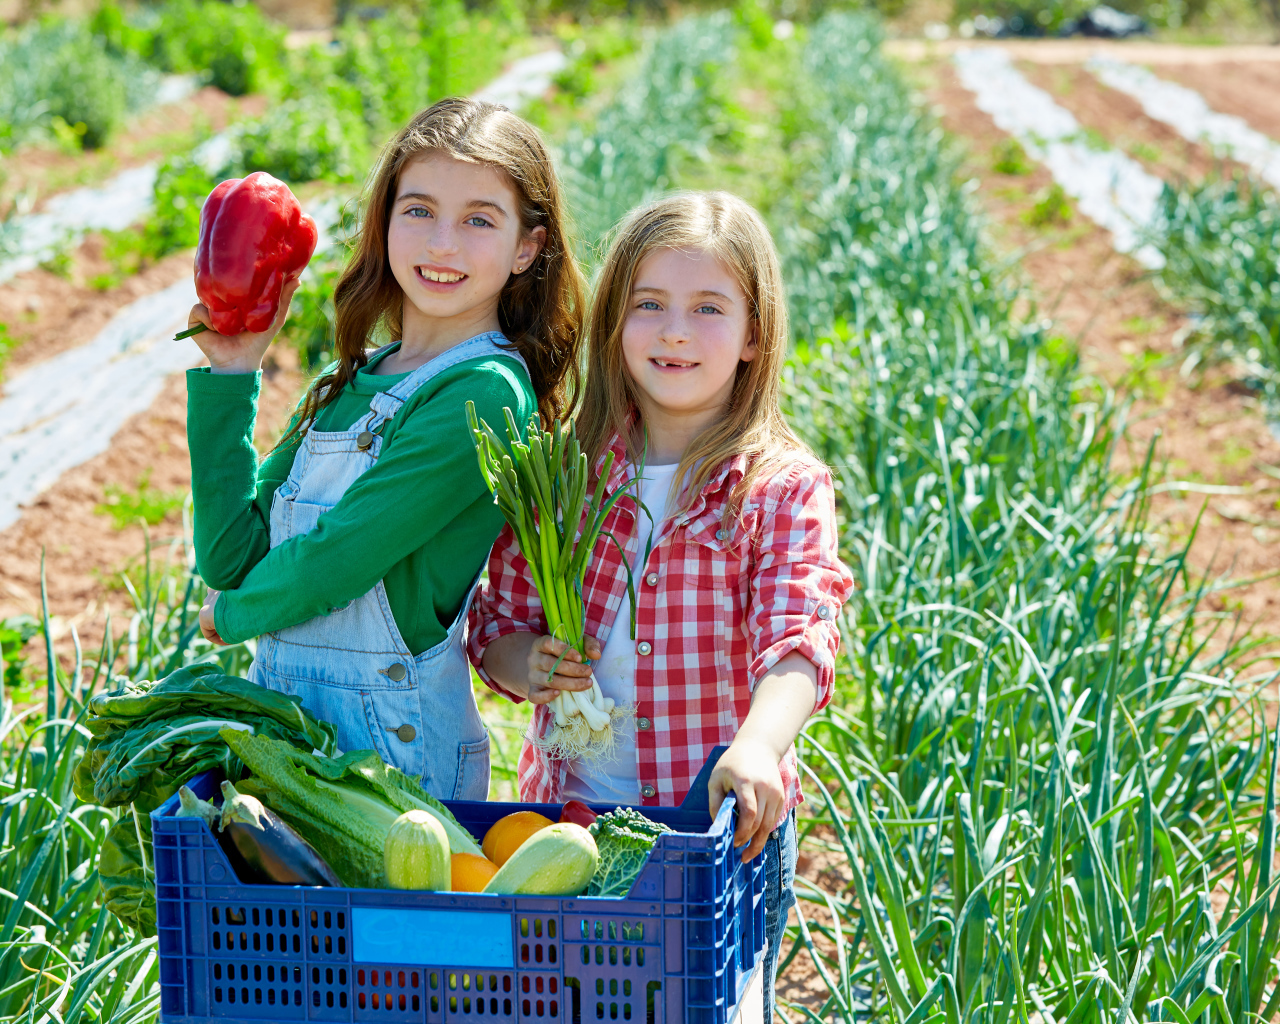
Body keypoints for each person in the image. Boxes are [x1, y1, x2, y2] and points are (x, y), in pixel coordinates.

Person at [469, 191, 855, 1018]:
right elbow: (497, 619)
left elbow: (799, 637)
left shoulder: (778, 488)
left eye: (707, 308)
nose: (675, 331)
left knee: (702, 1002)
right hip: (570, 817)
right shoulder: (567, 468)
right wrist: (522, 661)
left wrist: (756, 747)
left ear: (754, 335)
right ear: (615, 324)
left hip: (711, 832)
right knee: (571, 1000)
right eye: (649, 305)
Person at [184, 97, 584, 802]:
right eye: (419, 210)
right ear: (386, 219)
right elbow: (230, 557)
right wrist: (231, 373)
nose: (442, 244)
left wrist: (232, 614)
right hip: (291, 746)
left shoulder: (486, 395)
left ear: (528, 248)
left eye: (478, 221)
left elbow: (338, 559)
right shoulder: (350, 381)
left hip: (399, 756)